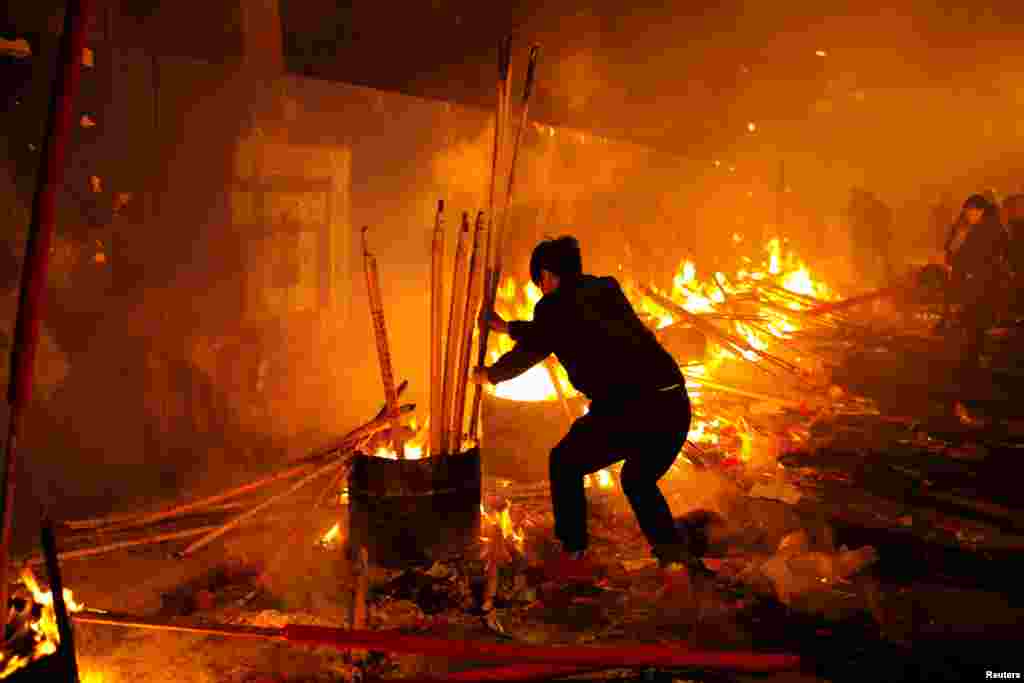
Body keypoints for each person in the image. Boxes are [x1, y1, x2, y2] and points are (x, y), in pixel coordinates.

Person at [471, 236, 699, 597]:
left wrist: (489, 375)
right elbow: (559, 328)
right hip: (672, 403)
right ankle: (674, 562)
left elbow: (533, 348)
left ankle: (574, 555)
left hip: (630, 409)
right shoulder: (605, 289)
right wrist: (507, 328)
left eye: (539, 282)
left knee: (565, 461)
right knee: (638, 480)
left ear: (546, 275)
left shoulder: (554, 308)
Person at [944, 194, 1008, 374]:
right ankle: (973, 359)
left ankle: (974, 362)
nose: (967, 216)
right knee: (973, 324)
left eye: (969, 212)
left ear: (979, 211)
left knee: (976, 322)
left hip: (982, 284)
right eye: (965, 213)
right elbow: (952, 252)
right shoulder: (971, 228)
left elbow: (970, 256)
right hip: (975, 283)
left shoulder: (988, 229)